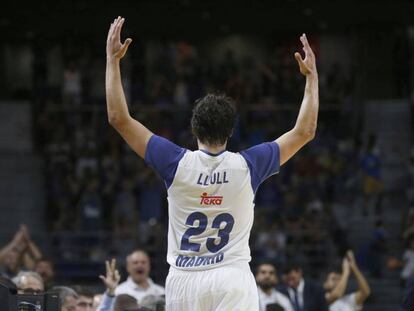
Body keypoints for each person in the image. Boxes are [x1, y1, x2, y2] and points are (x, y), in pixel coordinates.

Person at [106, 16, 318, 311]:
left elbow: (119, 118)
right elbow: (304, 131)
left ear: (194, 129)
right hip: (231, 277)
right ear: (231, 131)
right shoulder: (249, 165)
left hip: (183, 279)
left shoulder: (174, 162)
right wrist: (311, 78)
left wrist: (112, 61)